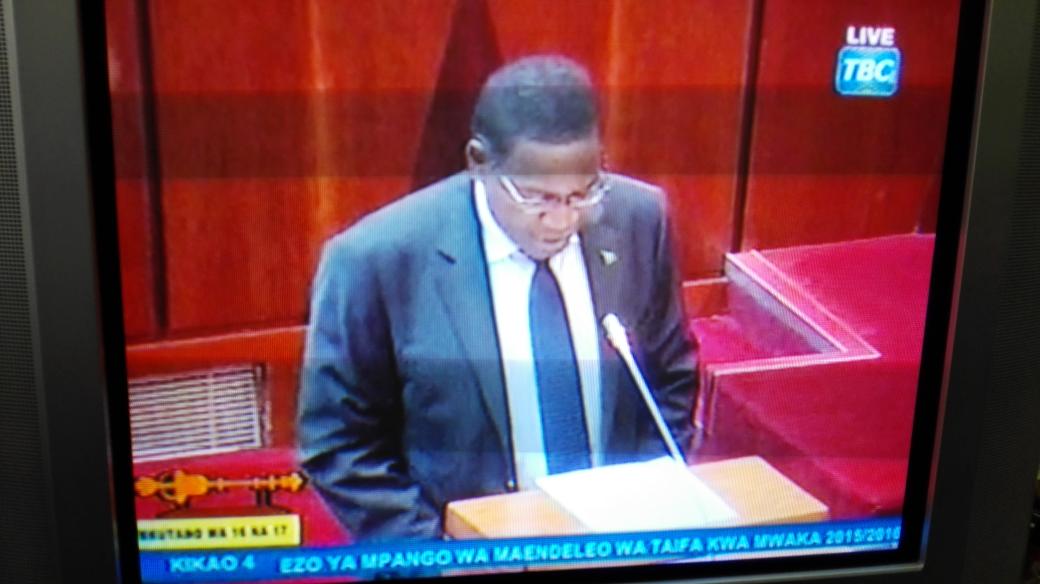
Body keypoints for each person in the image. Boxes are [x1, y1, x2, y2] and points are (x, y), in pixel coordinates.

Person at [297, 55, 698, 543]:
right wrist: (441, 559)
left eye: (582, 193)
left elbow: (670, 379)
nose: (562, 221)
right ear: (478, 162)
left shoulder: (639, 218)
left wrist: (646, 521)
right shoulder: (374, 260)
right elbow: (339, 444)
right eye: (536, 197)